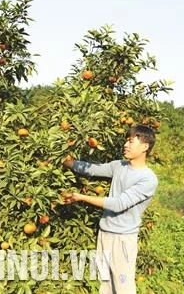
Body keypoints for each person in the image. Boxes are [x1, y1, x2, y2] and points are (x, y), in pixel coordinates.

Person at [63, 124, 158, 294]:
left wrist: (81, 197)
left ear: (145, 147)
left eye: (131, 141)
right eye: (126, 141)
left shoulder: (148, 179)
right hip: (105, 233)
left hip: (122, 239)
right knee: (105, 285)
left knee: (123, 287)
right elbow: (92, 169)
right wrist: (66, 161)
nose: (125, 145)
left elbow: (118, 204)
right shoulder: (119, 166)